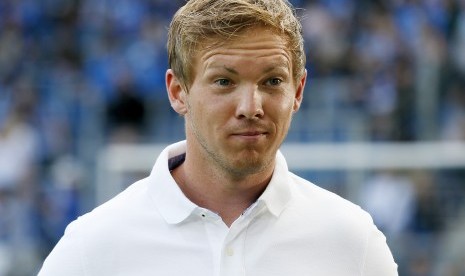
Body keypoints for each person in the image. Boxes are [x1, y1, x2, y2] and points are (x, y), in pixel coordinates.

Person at [39, 0, 398, 275]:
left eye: (272, 81)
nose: (250, 106)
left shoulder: (353, 243)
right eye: (224, 82)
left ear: (298, 90)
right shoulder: (92, 249)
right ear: (178, 92)